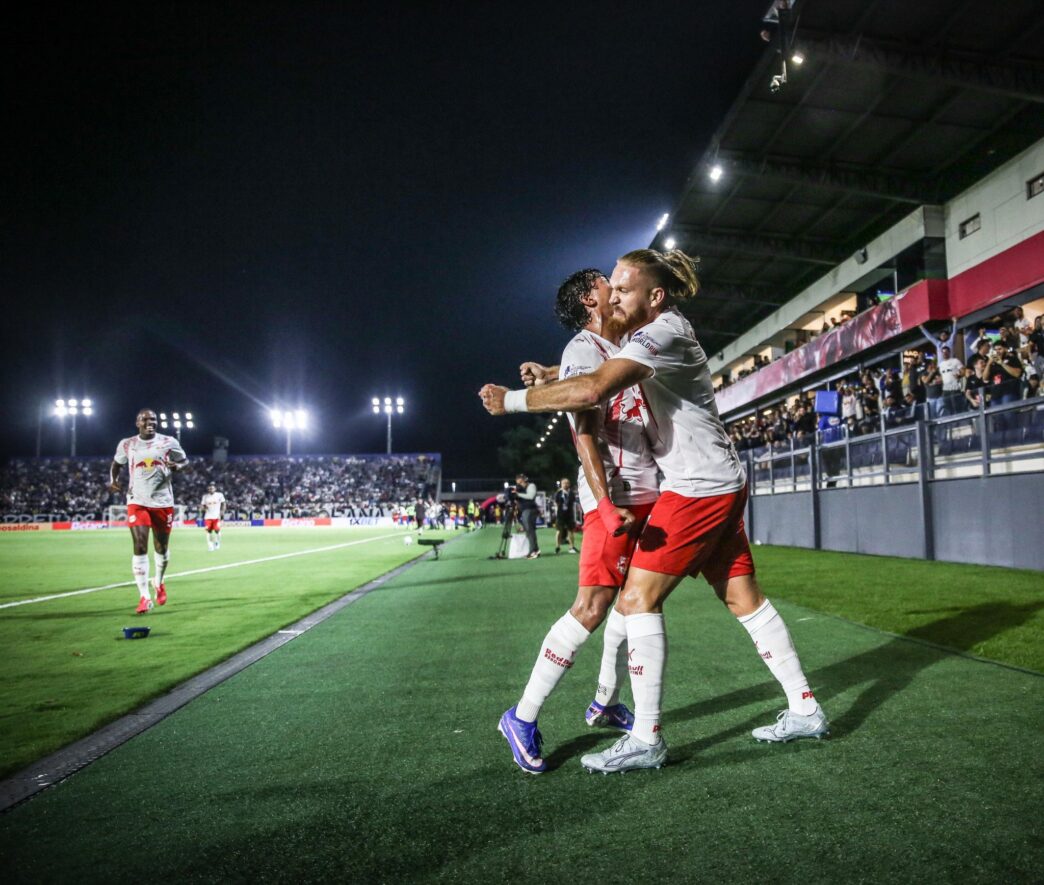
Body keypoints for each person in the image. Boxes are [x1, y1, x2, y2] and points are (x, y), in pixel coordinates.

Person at [481, 248, 826, 774]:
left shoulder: (660, 333)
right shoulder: (652, 332)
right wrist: (554, 372)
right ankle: (805, 707)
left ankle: (645, 737)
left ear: (655, 296)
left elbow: (596, 386)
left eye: (622, 288)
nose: (615, 296)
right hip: (717, 482)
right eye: (609, 288)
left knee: (636, 599)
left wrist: (510, 401)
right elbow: (599, 365)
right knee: (741, 596)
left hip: (693, 488)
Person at [496, 268, 659, 774]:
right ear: (592, 298)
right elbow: (584, 432)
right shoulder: (584, 349)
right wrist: (605, 502)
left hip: (649, 491)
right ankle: (521, 716)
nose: (617, 282)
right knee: (592, 605)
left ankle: (606, 701)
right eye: (606, 280)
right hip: (616, 497)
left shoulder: (621, 342)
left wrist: (548, 373)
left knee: (635, 602)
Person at [109, 408, 188, 614]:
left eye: (153, 419)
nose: (150, 422)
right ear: (138, 423)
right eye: (145, 420)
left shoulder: (169, 441)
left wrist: (178, 467)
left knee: (161, 547)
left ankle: (158, 582)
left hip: (162, 501)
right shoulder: (127, 444)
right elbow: (116, 464)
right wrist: (114, 480)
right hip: (137, 500)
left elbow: (184, 460)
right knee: (140, 543)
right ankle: (144, 597)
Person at [514, 473, 540, 558]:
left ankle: (533, 551)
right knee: (529, 531)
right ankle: (535, 550)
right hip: (525, 510)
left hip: (530, 510)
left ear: (525, 480)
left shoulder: (531, 485)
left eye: (521, 482)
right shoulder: (521, 489)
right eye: (518, 483)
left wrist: (518, 494)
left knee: (530, 531)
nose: (520, 484)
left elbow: (531, 496)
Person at [552, 478, 579, 554]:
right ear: (561, 484)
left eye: (567, 483)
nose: (566, 484)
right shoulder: (558, 493)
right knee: (559, 531)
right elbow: (556, 503)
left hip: (569, 515)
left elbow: (573, 504)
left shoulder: (571, 493)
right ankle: (557, 547)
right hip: (560, 515)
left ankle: (572, 547)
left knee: (570, 531)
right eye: (564, 483)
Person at [201, 483, 226, 551]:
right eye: (209, 488)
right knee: (208, 531)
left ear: (215, 489)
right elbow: (202, 505)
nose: (211, 489)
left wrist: (222, 514)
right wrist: (203, 508)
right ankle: (210, 545)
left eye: (212, 488)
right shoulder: (205, 496)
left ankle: (217, 543)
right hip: (208, 517)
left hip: (216, 516)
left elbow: (223, 504)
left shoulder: (219, 495)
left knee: (217, 530)